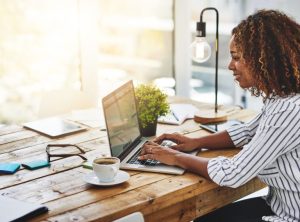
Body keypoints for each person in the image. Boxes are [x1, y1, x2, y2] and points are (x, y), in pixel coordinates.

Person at [139, 9, 300, 222]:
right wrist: (195, 142)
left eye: (236, 57)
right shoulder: (283, 97)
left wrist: (174, 157)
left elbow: (234, 173)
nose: (230, 65)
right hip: (278, 205)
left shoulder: (288, 109)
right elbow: (247, 132)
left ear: (263, 59)